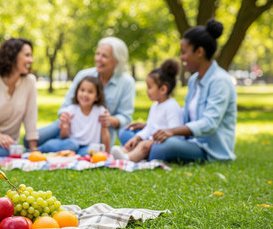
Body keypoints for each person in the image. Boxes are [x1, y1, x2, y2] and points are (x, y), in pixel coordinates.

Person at [149, 19, 237, 163]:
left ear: (199, 52)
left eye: (184, 52)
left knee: (163, 145)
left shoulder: (220, 81)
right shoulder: (194, 80)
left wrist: (172, 131)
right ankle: (146, 148)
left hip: (208, 150)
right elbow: (185, 115)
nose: (181, 57)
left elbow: (209, 123)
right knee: (129, 133)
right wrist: (152, 125)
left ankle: (146, 150)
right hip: (189, 143)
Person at [31, 37, 135, 151]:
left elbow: (126, 117)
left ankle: (56, 147)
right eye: (97, 54)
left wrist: (111, 120)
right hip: (71, 125)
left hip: (95, 134)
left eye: (104, 56)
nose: (98, 59)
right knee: (31, 139)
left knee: (75, 148)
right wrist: (64, 116)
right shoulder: (83, 75)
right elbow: (67, 104)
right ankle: (48, 146)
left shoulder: (126, 82)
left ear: (117, 61)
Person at [111, 59, 183, 162]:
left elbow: (174, 131)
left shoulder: (171, 106)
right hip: (152, 139)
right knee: (136, 141)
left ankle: (129, 158)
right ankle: (125, 152)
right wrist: (137, 138)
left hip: (164, 142)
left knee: (144, 144)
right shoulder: (155, 106)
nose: (147, 91)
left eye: (150, 87)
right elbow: (149, 127)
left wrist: (153, 140)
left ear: (163, 89)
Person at [39, 76, 110, 155]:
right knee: (72, 145)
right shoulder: (71, 110)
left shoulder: (100, 111)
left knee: (93, 150)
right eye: (82, 90)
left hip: (87, 148)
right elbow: (63, 136)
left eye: (90, 92)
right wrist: (65, 127)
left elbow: (105, 134)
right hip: (71, 144)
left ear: (97, 97)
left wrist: (107, 153)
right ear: (77, 92)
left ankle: (73, 154)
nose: (85, 94)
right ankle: (38, 150)